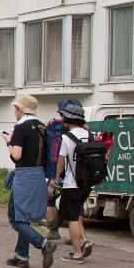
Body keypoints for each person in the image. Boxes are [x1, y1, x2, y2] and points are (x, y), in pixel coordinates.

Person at [2, 94, 56, 268]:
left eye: (15, 108)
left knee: (15, 218)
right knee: (23, 216)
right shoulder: (42, 127)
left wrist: (9, 142)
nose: (13, 111)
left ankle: (43, 243)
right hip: (39, 175)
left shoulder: (21, 128)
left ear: (20, 109)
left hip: (24, 176)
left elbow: (17, 156)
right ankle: (21, 255)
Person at [54, 100, 94, 263]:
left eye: (63, 116)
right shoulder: (88, 134)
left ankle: (77, 254)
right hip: (86, 182)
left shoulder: (67, 137)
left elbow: (61, 161)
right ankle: (84, 241)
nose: (62, 118)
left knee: (72, 218)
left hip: (72, 183)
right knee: (77, 213)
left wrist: (57, 178)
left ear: (68, 118)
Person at [43, 102, 72, 241]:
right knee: (75, 207)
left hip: (53, 171)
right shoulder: (80, 128)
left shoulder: (52, 127)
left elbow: (53, 154)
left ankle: (53, 231)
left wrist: (52, 175)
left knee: (49, 199)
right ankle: (78, 237)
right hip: (73, 173)